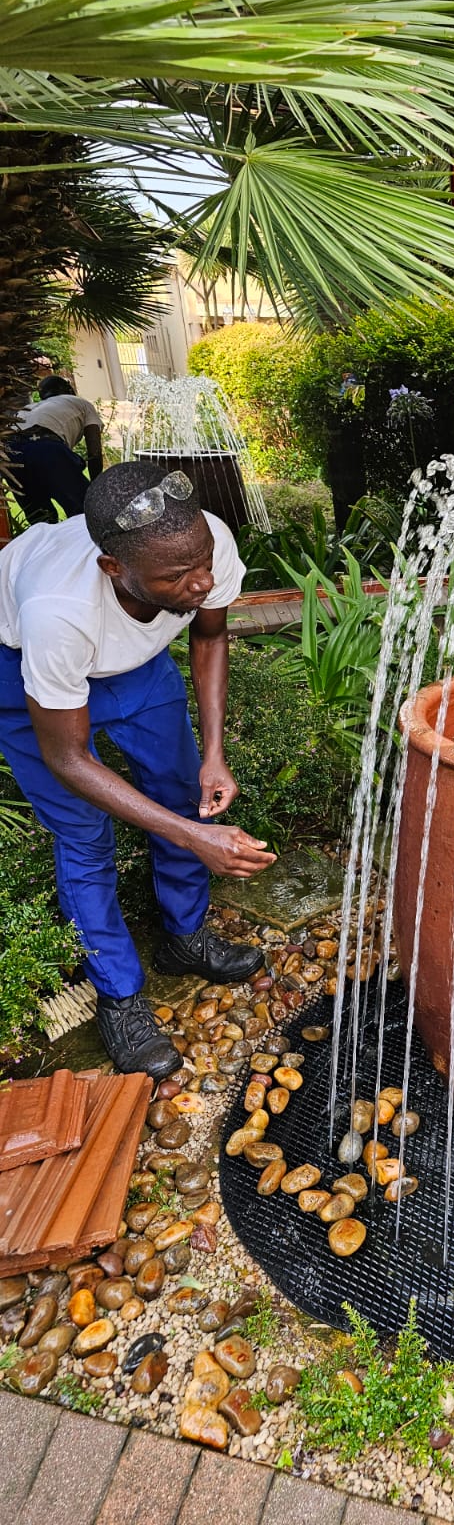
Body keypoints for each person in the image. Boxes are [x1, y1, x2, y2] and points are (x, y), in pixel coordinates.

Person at [0, 461, 277, 1080]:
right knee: (84, 835)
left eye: (203, 561)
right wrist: (195, 839)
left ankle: (185, 937)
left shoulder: (201, 544)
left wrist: (213, 753)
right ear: (113, 568)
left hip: (136, 664)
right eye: (177, 577)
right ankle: (119, 995)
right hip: (25, 670)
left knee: (184, 794)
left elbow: (209, 638)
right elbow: (68, 759)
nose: (202, 582)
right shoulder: (57, 611)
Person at [7, 375, 104, 523]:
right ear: (69, 389)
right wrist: (97, 488)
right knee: (87, 515)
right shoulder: (81, 403)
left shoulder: (31, 408)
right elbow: (94, 451)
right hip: (46, 449)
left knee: (41, 521)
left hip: (10, 455)